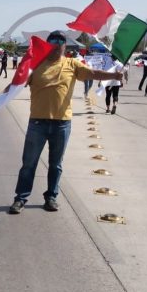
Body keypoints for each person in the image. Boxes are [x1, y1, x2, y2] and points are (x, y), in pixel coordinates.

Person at [8, 30, 124, 214]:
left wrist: (114, 76)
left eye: (60, 41)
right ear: (47, 44)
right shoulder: (36, 64)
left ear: (65, 45)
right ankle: (20, 198)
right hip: (37, 123)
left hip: (62, 123)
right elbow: (16, 85)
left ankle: (51, 197)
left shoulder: (72, 64)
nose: (57, 44)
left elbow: (93, 73)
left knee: (56, 164)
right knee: (29, 163)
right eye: (53, 40)